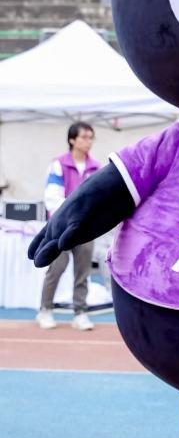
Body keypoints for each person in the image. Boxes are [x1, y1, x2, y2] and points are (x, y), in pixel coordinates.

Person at [36, 121, 100, 330]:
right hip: (60, 228)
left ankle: (80, 313)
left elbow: (99, 198)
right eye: (84, 137)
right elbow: (52, 197)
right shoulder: (58, 164)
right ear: (72, 139)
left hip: (85, 229)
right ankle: (45, 310)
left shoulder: (97, 168)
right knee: (56, 268)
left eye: (90, 137)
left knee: (83, 272)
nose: (88, 141)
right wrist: (73, 215)